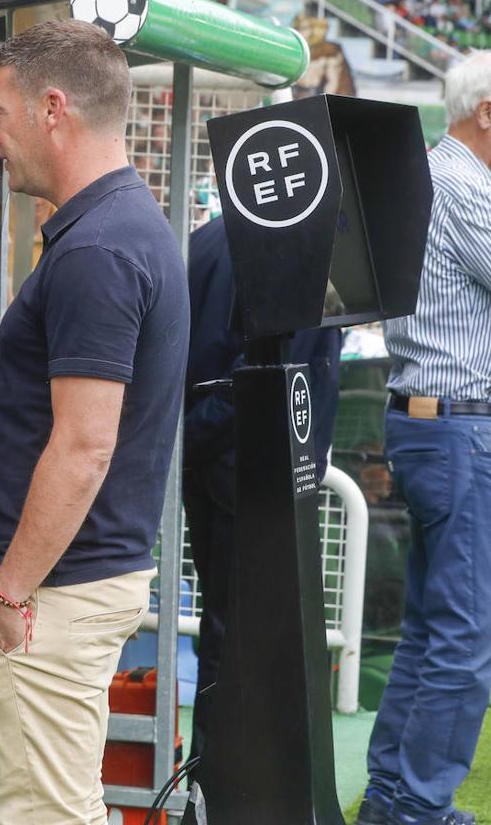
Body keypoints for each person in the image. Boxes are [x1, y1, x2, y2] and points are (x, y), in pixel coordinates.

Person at [0, 19, 189, 824]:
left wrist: (10, 588)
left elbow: (86, 444)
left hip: (50, 592)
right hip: (71, 584)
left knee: (46, 816)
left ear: (52, 108)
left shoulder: (99, 247)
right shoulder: (119, 224)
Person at [355, 51, 491, 825]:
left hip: (437, 423)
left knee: (435, 631)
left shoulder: (441, 175)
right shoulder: (461, 183)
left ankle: (394, 801)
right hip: (456, 429)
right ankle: (415, 811)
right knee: (464, 642)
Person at [181, 215, 342, 803]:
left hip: (222, 468)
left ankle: (214, 786)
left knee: (229, 635)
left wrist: (194, 442)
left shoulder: (204, 239)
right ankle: (223, 790)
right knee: (247, 644)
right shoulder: (286, 241)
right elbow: (259, 376)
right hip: (257, 474)